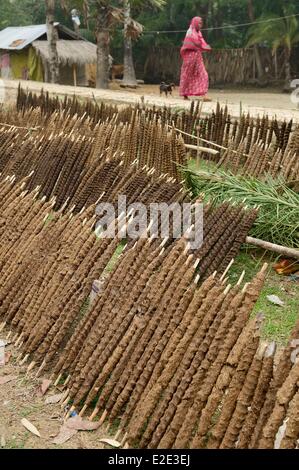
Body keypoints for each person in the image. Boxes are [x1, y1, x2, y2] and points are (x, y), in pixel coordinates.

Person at [179, 17, 211, 100]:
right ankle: (185, 94)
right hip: (189, 56)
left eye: (201, 23)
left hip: (198, 56)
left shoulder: (199, 33)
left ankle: (204, 94)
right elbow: (196, 42)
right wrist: (204, 47)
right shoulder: (190, 32)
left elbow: (201, 41)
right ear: (195, 23)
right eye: (199, 23)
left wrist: (206, 46)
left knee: (203, 74)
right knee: (187, 74)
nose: (200, 25)